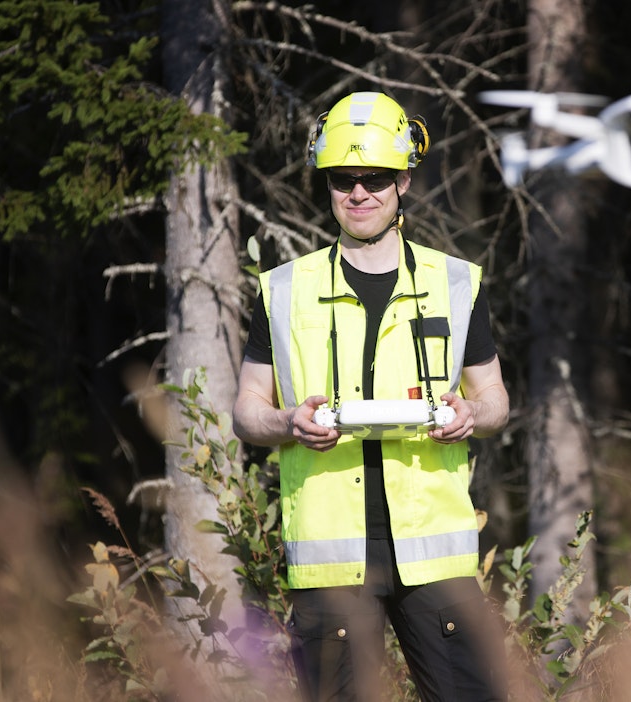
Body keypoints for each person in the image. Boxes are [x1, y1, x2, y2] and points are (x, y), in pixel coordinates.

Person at [232, 91, 509, 701]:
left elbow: (494, 398)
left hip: (435, 554)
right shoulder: (282, 289)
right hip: (330, 562)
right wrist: (287, 422)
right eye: (342, 179)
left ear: (404, 180)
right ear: (326, 183)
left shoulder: (455, 283)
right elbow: (247, 409)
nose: (358, 193)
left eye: (375, 178)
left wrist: (472, 415)